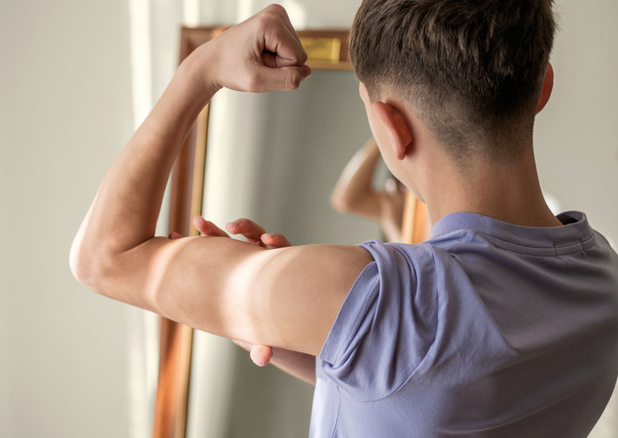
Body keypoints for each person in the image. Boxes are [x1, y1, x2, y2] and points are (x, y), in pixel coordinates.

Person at [70, 2, 618, 436]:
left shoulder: (393, 305)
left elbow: (103, 259)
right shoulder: (601, 280)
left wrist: (201, 70)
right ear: (542, 88)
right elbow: (452, 390)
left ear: (391, 130)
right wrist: (315, 330)